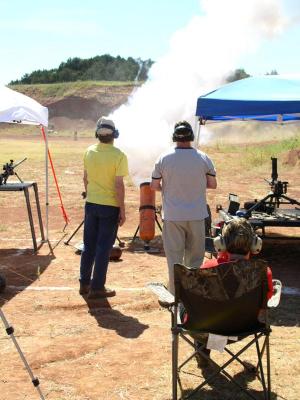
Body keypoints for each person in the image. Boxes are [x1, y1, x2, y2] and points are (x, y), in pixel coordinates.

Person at [193, 218, 274, 368]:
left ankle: (203, 352)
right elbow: (266, 300)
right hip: (244, 329)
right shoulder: (263, 273)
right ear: (255, 245)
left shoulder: (208, 268)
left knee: (191, 307)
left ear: (221, 243)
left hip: (209, 330)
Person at [150, 120, 217, 294]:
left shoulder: (163, 158)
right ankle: (192, 294)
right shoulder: (203, 157)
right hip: (196, 214)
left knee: (174, 258)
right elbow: (212, 184)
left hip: (172, 216)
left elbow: (154, 186)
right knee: (195, 258)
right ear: (191, 137)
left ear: (174, 137)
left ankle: (175, 294)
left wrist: (169, 188)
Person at [79, 116, 129, 299]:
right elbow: (118, 185)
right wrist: (122, 210)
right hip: (110, 207)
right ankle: (97, 286)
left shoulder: (89, 152)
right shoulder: (119, 155)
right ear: (114, 134)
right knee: (103, 247)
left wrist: (90, 193)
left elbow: (85, 179)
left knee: (88, 245)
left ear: (97, 134)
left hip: (91, 204)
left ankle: (84, 283)